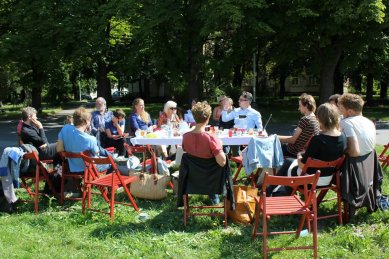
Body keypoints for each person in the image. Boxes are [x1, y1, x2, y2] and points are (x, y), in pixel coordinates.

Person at [268, 103, 346, 195]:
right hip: (327, 179)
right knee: (289, 162)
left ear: (319, 119)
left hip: (310, 180)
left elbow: (302, 165)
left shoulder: (317, 140)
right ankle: (281, 193)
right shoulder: (343, 137)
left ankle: (272, 192)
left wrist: (299, 155)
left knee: (288, 163)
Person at [338, 93, 382, 215]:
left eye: (341, 109)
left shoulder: (346, 122)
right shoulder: (369, 122)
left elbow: (354, 151)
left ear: (350, 111)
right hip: (368, 166)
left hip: (352, 168)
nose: (339, 112)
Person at [182, 101, 226, 204]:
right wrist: (219, 145)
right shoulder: (211, 138)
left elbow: (186, 151)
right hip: (211, 179)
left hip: (192, 179)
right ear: (208, 118)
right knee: (217, 163)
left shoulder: (185, 137)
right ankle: (214, 198)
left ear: (194, 117)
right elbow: (222, 162)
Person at [56, 107, 101, 174]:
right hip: (88, 169)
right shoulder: (91, 139)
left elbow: (59, 149)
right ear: (86, 121)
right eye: (90, 120)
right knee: (112, 164)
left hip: (71, 168)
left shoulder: (65, 128)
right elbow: (97, 153)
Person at [279, 93, 320, 158]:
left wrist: (275, 137)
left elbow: (292, 140)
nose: (298, 108)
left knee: (273, 147)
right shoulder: (316, 120)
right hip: (304, 151)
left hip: (294, 152)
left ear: (306, 106)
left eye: (300, 106)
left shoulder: (305, 119)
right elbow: (297, 138)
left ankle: (267, 167)